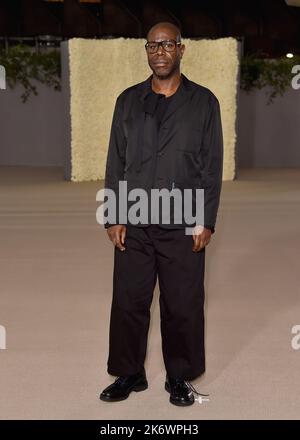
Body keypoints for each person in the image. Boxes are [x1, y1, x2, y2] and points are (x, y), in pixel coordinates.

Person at [99, 21, 223, 406]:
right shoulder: (127, 101)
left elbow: (211, 164)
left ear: (181, 50)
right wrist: (113, 215)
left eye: (168, 45)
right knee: (128, 301)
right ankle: (129, 372)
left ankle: (180, 377)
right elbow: (115, 160)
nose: (160, 52)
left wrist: (206, 218)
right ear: (147, 51)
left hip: (183, 221)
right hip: (134, 219)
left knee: (183, 303)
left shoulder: (204, 102)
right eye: (153, 46)